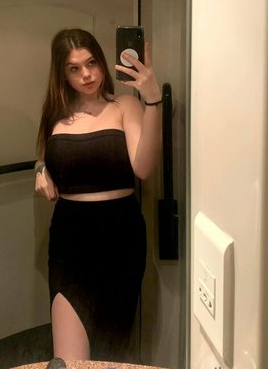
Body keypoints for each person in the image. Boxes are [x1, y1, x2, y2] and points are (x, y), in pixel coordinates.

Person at [35, 28, 162, 361]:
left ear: (102, 62)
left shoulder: (124, 105)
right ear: (62, 74)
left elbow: (143, 167)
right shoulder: (56, 114)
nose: (86, 75)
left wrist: (152, 100)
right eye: (74, 68)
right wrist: (40, 169)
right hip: (69, 240)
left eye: (91, 63)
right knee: (69, 361)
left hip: (120, 237)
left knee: (109, 351)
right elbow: (46, 154)